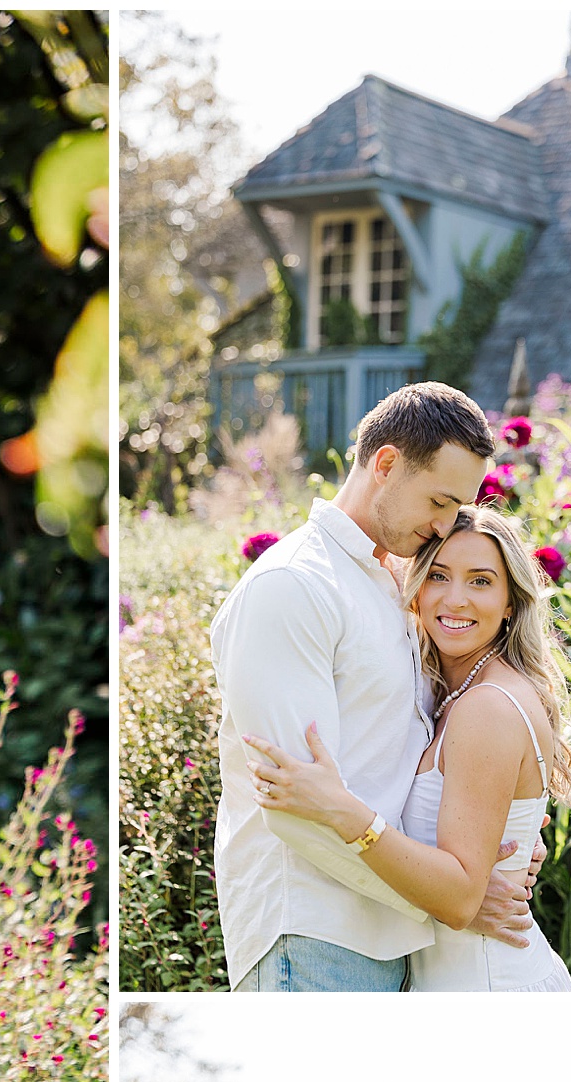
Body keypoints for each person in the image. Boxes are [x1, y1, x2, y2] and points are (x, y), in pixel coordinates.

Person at [210, 382, 544, 991]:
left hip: (391, 934)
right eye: (440, 500)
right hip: (311, 935)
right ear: (385, 464)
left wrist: (497, 839)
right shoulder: (293, 587)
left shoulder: (395, 580)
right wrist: (452, 898)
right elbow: (296, 808)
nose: (447, 525)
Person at [243, 505, 571, 990]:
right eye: (439, 576)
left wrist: (340, 809)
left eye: (481, 581)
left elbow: (460, 899)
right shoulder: (451, 694)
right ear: (416, 589)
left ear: (511, 601)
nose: (456, 599)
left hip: (491, 985)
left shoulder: (485, 707)